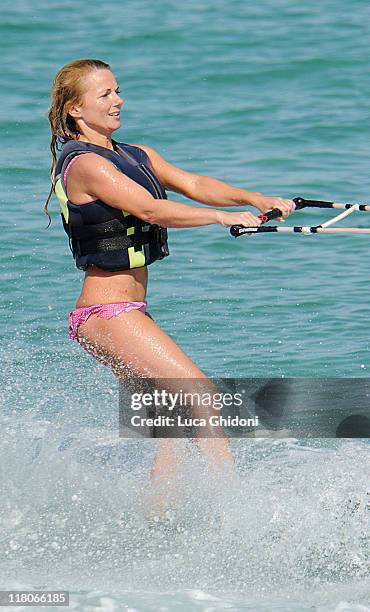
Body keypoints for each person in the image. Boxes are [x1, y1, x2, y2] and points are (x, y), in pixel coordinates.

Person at [45, 59, 295, 494]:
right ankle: (233, 511)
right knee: (202, 397)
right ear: (75, 109)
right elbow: (149, 209)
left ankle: (159, 523)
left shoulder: (135, 155)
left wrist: (253, 197)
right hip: (106, 313)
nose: (118, 100)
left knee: (172, 428)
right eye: (104, 95)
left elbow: (194, 183)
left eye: (117, 90)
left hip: (127, 311)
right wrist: (220, 218)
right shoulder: (86, 165)